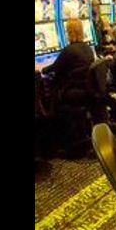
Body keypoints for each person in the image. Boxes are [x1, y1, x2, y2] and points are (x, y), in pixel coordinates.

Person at [43, 18, 97, 156]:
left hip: (74, 93)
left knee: (50, 93)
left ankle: (58, 140)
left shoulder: (68, 51)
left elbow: (53, 69)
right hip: (87, 91)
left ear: (69, 33)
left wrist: (42, 69)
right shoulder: (88, 48)